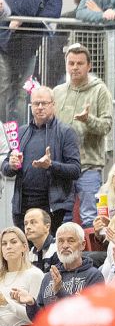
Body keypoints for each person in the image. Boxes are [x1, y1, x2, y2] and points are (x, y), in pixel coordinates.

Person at [2, 86, 80, 231]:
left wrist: (51, 165)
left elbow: (75, 170)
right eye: (36, 103)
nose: (40, 107)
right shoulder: (22, 132)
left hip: (52, 207)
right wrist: (11, 165)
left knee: (47, 250)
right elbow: (5, 167)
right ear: (31, 106)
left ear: (53, 105)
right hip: (22, 207)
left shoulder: (66, 132)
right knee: (25, 251)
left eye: (44, 103)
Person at [51, 43, 112, 229]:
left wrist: (88, 120)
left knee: (90, 218)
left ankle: (90, 258)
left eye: (79, 63)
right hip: (63, 168)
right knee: (62, 219)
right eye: (71, 63)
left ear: (89, 66)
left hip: (89, 166)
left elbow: (107, 125)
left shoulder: (100, 90)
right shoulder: (57, 92)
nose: (75, 67)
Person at [0, 0, 61, 128]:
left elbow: (53, 11)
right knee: (3, 90)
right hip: (5, 46)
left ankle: (17, 135)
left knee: (21, 93)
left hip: (29, 49)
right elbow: (24, 8)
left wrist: (26, 19)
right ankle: (2, 132)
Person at [0, 227, 43, 326]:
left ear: (24, 246)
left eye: (13, 242)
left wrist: (7, 304)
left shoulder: (34, 274)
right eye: (4, 243)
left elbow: (36, 317)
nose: (8, 246)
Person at [23, 207, 56, 272]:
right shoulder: (30, 254)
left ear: (47, 227)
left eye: (33, 222)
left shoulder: (57, 248)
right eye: (25, 224)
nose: (28, 227)